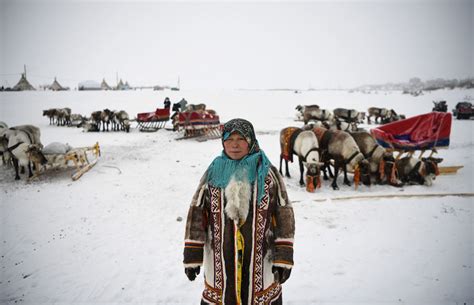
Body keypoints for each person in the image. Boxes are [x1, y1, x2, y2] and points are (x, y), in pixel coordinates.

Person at [183, 118, 295, 304]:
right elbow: (197, 212)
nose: (234, 145)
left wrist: (283, 255)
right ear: (223, 142)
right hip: (219, 263)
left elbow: (283, 213)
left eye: (240, 138)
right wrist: (192, 254)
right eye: (229, 139)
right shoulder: (214, 172)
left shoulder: (267, 174)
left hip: (262, 263)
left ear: (250, 140)